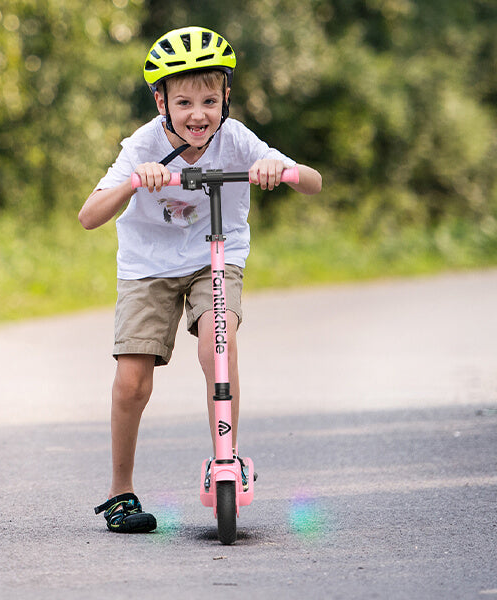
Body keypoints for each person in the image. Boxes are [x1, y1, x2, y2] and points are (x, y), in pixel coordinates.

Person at [78, 28, 323, 533]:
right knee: (132, 381)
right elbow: (88, 216)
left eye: (210, 100)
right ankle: (120, 491)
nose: (198, 114)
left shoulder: (235, 140)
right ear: (160, 100)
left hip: (216, 254)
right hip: (147, 266)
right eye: (184, 100)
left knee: (218, 344)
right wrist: (132, 181)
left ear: (226, 98)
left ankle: (225, 461)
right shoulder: (142, 144)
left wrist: (281, 168)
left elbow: (313, 182)